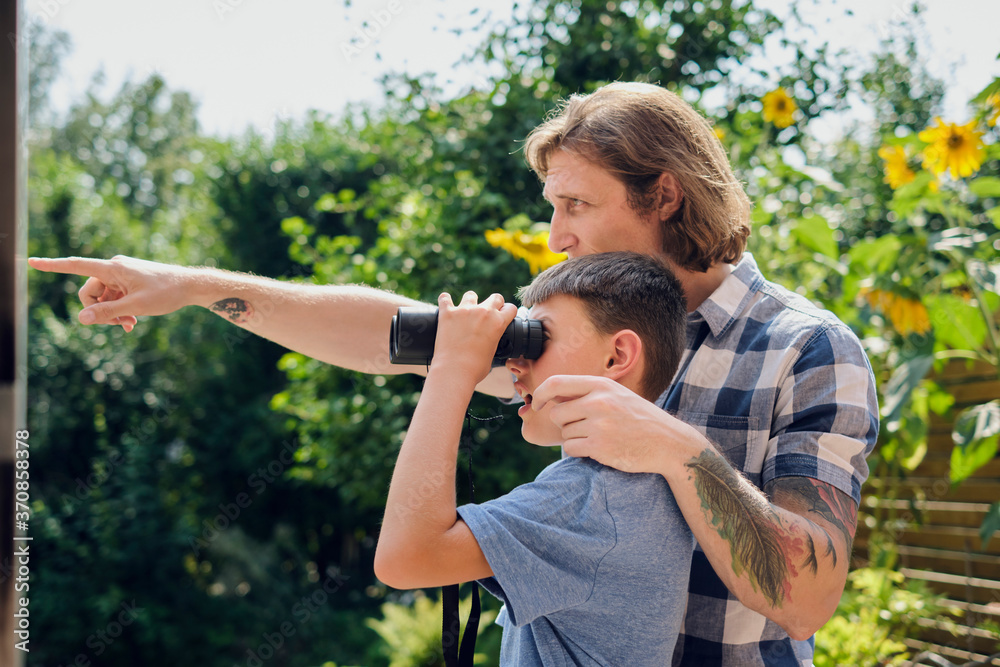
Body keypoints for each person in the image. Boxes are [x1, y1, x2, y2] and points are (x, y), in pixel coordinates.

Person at [29, 81, 879, 665]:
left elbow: (805, 596)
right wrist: (198, 285)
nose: (555, 236)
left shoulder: (808, 350)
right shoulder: (572, 327)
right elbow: (388, 333)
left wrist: (676, 449)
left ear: (663, 196)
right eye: (553, 206)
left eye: (576, 204)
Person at [375, 251, 693, 664]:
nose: (513, 363)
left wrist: (451, 369)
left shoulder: (593, 499)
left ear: (616, 356)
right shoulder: (641, 485)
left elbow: (405, 558)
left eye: (537, 339)